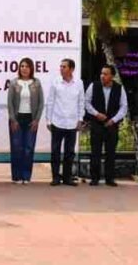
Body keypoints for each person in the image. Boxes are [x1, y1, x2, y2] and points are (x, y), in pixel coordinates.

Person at [84, 64, 128, 186]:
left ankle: (110, 178)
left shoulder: (119, 88)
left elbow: (123, 107)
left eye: (106, 74)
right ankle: (94, 178)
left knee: (111, 152)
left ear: (112, 76)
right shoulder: (94, 86)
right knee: (95, 152)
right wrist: (96, 114)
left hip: (112, 125)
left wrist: (113, 120)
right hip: (97, 123)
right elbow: (86, 102)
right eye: (102, 73)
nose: (102, 76)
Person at [45, 58, 84, 187]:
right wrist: (48, 120)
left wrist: (80, 119)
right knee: (55, 151)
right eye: (61, 66)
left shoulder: (79, 83)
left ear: (71, 69)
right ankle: (55, 177)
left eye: (64, 67)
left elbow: (81, 102)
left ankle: (67, 177)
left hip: (72, 123)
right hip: (57, 121)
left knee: (70, 152)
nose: (61, 69)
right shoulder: (55, 82)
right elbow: (50, 101)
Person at [8, 58, 45, 185]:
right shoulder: (14, 83)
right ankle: (16, 176)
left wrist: (37, 120)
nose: (24, 68)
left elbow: (41, 103)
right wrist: (13, 119)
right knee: (16, 148)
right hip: (17, 120)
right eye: (22, 66)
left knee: (28, 148)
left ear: (31, 68)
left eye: (27, 66)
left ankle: (26, 176)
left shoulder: (36, 83)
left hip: (31, 120)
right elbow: (10, 103)